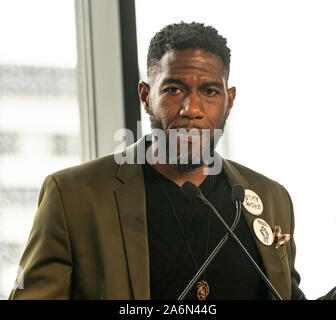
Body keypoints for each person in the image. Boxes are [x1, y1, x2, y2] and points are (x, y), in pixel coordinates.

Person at [8, 22, 336, 300]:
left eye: (210, 91)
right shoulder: (73, 195)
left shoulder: (269, 196)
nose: (191, 108)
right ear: (146, 96)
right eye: (175, 89)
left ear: (229, 100)